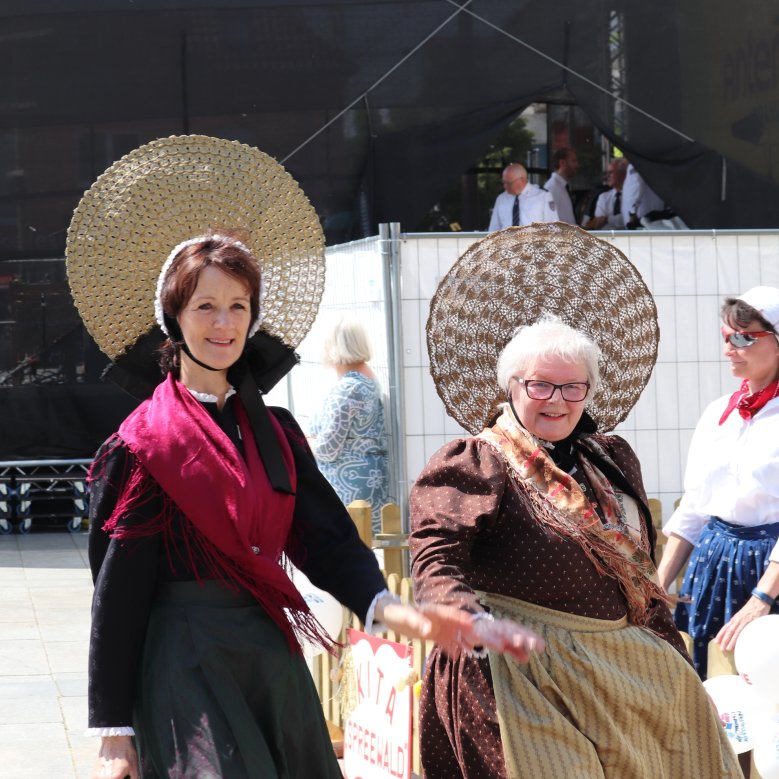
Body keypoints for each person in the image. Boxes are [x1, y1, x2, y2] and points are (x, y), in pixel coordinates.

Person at [66, 136, 544, 779]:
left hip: (268, 656)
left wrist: (409, 616)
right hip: (182, 665)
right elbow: (116, 594)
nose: (223, 323)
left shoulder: (277, 434)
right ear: (172, 319)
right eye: (204, 306)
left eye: (238, 306)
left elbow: (329, 546)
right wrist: (114, 731)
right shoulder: (141, 446)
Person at [410, 223, 741, 778]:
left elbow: (638, 573)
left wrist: (673, 656)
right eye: (539, 385)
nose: (557, 400)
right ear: (510, 386)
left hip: (625, 665)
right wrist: (461, 617)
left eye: (572, 387)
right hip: (524, 671)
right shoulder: (476, 462)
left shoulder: (610, 458)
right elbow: (435, 557)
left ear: (589, 391)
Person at [657, 285, 779, 679]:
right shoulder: (717, 413)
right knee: (709, 689)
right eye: (727, 337)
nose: (729, 349)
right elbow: (694, 508)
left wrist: (762, 596)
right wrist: (658, 587)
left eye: (743, 337)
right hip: (713, 565)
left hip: (770, 572)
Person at [308, 316, 390, 531]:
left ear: (333, 346)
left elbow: (328, 448)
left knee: (347, 551)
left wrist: (306, 441)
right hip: (369, 480)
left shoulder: (348, 388)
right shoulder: (369, 379)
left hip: (347, 487)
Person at [487, 162, 555, 231]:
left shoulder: (543, 196)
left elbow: (553, 228)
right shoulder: (501, 199)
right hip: (507, 241)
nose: (505, 186)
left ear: (522, 180)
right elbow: (493, 229)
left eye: (509, 183)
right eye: (503, 182)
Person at [585, 158, 627, 230]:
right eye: (607, 173)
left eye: (611, 172)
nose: (607, 176)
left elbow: (627, 220)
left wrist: (607, 219)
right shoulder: (603, 197)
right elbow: (598, 222)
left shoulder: (631, 196)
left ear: (622, 173)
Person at [543, 147, 579, 225]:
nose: (577, 165)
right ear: (562, 163)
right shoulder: (552, 188)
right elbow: (549, 221)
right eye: (573, 161)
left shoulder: (562, 186)